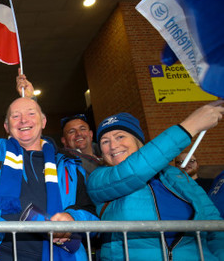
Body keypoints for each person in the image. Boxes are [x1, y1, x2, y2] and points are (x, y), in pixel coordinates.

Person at [0, 37, 98, 261]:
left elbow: (91, 213)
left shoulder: (68, 164)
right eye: (15, 116)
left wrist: (72, 219)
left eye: (31, 114)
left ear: (43, 122)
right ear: (7, 127)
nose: (24, 120)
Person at [87, 106, 224, 261]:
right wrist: (190, 126)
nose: (113, 146)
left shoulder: (177, 175)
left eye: (120, 137)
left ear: (138, 140)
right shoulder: (99, 178)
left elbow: (215, 227)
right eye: (105, 141)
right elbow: (134, 171)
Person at [16, 72, 102, 176]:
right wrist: (30, 99)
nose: (78, 134)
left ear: (91, 134)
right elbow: (33, 139)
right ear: (64, 140)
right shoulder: (62, 161)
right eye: (71, 131)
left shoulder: (109, 155)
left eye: (82, 129)